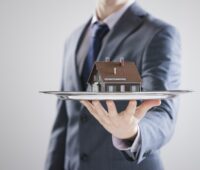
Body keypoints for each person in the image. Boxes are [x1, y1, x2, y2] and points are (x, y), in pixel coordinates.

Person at [45, 0, 181, 169]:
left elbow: (163, 114)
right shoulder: (73, 39)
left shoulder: (158, 33)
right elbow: (63, 122)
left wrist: (132, 133)